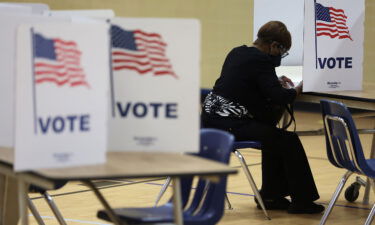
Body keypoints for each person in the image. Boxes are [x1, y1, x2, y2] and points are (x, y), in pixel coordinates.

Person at [201, 21, 324, 214]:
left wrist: (274, 82)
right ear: (274, 45)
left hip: (210, 121)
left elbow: (248, 83)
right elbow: (280, 97)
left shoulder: (238, 52)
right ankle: (302, 200)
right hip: (229, 124)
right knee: (288, 141)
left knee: (273, 137)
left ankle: (271, 195)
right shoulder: (261, 60)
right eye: (282, 51)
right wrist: (299, 88)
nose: (280, 57)